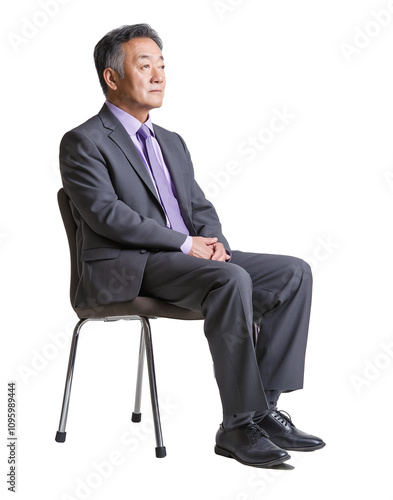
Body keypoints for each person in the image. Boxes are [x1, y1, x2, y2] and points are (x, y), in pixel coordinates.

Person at [59, 23, 325, 468]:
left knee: (292, 272)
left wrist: (214, 243)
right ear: (112, 77)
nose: (159, 75)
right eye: (145, 66)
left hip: (188, 261)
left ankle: (263, 410)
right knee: (230, 279)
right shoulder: (83, 141)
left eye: (162, 66)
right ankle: (237, 427)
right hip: (131, 267)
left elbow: (198, 205)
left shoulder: (171, 142)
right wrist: (185, 244)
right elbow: (106, 215)